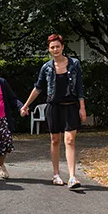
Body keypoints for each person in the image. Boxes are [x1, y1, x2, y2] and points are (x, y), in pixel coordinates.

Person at [20, 34, 87, 189]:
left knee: (70, 140)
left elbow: (80, 87)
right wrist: (26, 105)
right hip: (54, 107)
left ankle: (72, 177)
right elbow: (38, 88)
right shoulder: (47, 67)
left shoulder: (74, 64)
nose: (55, 49)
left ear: (63, 47)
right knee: (55, 140)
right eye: (52, 47)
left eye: (57, 46)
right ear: (49, 50)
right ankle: (56, 174)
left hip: (71, 106)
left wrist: (82, 107)